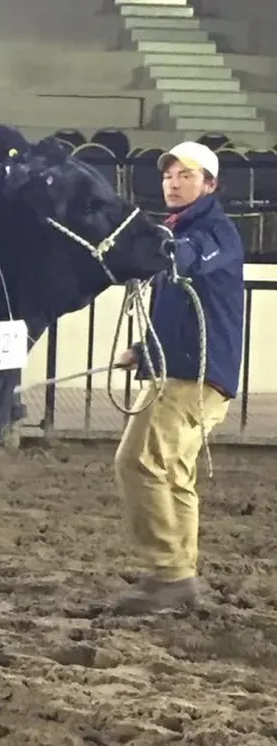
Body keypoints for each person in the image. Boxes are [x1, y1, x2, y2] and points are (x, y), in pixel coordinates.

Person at [110, 140, 245, 615]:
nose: (173, 181)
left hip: (192, 377)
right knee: (174, 475)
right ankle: (180, 576)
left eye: (186, 175)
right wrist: (144, 351)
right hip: (189, 373)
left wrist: (138, 242)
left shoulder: (214, 235)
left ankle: (169, 574)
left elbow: (183, 261)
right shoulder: (190, 231)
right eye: (170, 175)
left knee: (138, 463)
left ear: (209, 184)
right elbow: (186, 313)